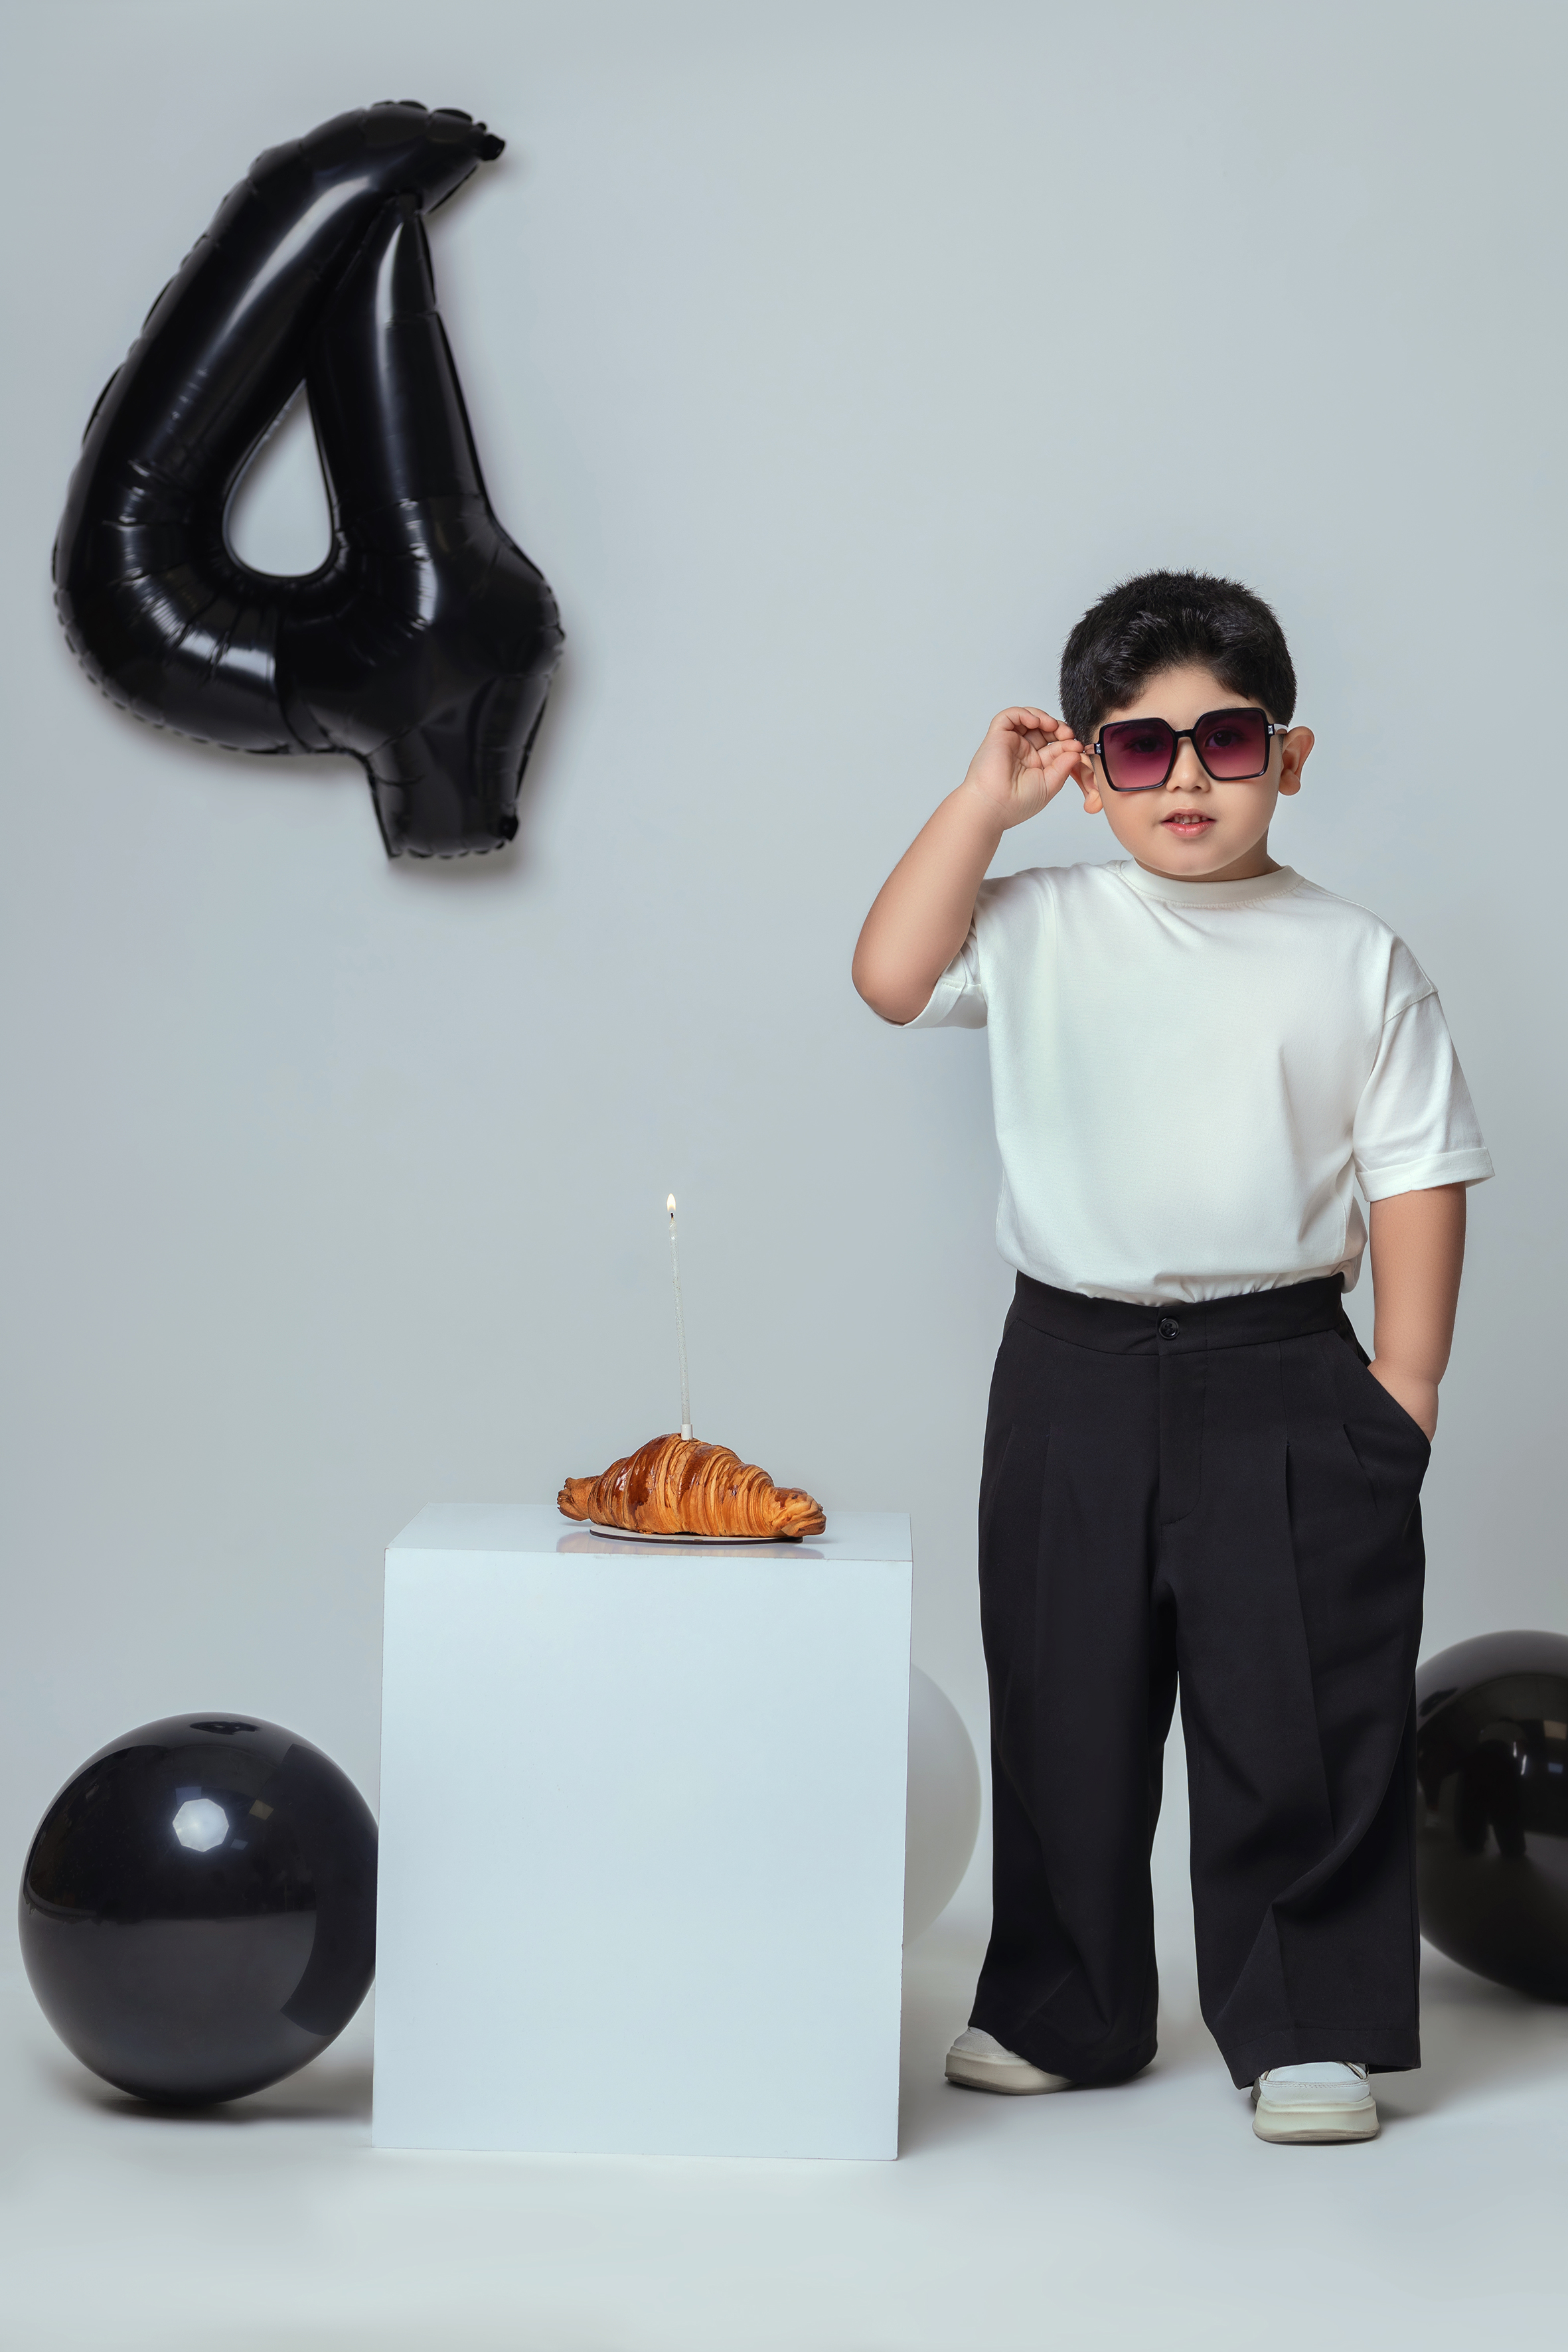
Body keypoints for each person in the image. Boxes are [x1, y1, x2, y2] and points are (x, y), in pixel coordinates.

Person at [852, 572, 1492, 2144]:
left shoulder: (1351, 955)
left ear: (1290, 755)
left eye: (1226, 739)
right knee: (1062, 1696)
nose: (1185, 777)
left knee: (1297, 1707)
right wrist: (978, 806)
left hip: (1281, 1365)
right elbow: (887, 977)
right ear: (1086, 770)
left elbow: (1417, 1171)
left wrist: (1402, 1386)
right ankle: (1061, 2002)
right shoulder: (1037, 919)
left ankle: (1309, 2025)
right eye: (1138, 749)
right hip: (1067, 1364)